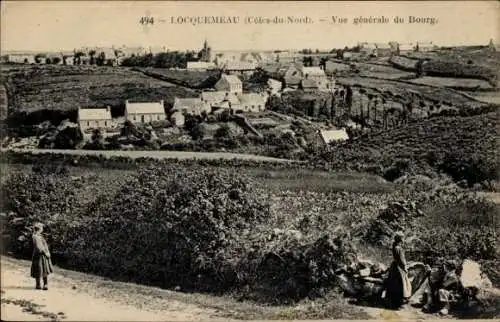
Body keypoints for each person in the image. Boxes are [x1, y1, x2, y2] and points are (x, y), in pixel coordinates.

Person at [383, 232, 412, 309]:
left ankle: (391, 302)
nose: (404, 240)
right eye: (403, 238)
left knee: (393, 284)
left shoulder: (394, 246)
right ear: (401, 239)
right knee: (400, 285)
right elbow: (402, 260)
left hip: (394, 266)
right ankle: (397, 304)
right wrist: (405, 267)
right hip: (399, 267)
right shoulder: (399, 249)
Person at [31, 222, 53, 290]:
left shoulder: (40, 236)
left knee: (44, 269)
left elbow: (45, 245)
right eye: (42, 228)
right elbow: (39, 247)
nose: (42, 229)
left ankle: (45, 284)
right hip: (39, 255)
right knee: (39, 269)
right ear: (39, 229)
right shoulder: (35, 236)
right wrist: (45, 253)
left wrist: (47, 252)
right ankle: (38, 285)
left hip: (42, 255)